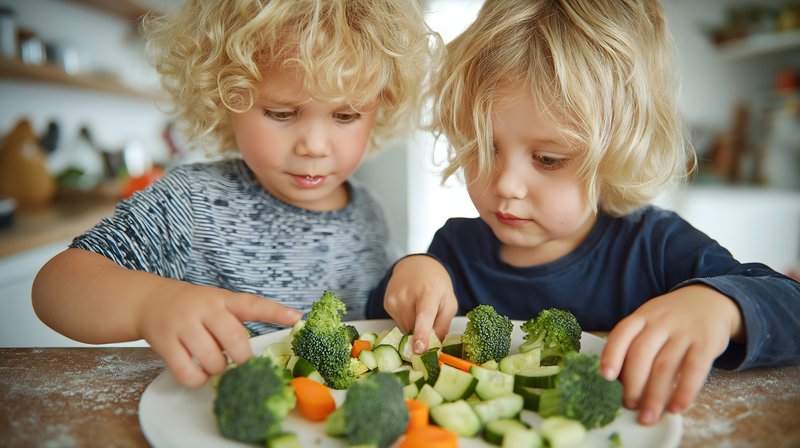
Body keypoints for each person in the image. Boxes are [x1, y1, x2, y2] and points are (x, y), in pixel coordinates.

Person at [366, 0, 800, 427]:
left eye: (549, 159)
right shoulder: (454, 250)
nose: (505, 185)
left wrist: (722, 307)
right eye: (485, 147)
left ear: (616, 155)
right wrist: (411, 271)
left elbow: (790, 306)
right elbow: (385, 320)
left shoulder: (655, 245)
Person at [32, 0, 440, 388]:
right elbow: (56, 285)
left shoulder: (369, 213)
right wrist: (147, 303)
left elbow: (385, 322)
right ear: (224, 96)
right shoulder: (192, 201)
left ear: (381, 106)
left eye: (346, 115)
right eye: (281, 113)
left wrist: (416, 270)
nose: (315, 145)